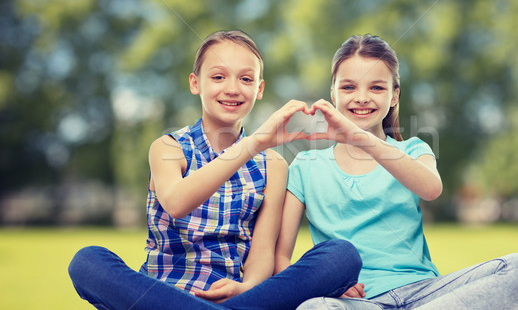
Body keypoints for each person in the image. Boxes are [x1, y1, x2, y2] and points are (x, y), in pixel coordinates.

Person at [68, 30, 361, 310]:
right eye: (218, 77)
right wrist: (255, 143)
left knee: (341, 256)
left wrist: (248, 287)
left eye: (246, 79)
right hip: (163, 293)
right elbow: (177, 203)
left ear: (259, 89)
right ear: (196, 83)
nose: (232, 88)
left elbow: (262, 251)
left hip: (238, 295)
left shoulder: (273, 166)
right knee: (87, 262)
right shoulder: (168, 148)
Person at [274, 34, 518, 309]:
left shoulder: (414, 150)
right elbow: (281, 259)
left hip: (426, 294)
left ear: (395, 95)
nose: (362, 97)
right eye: (348, 87)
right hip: (357, 304)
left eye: (377, 88)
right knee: (314, 308)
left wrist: (361, 139)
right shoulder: (305, 166)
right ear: (333, 93)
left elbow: (431, 189)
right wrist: (325, 284)